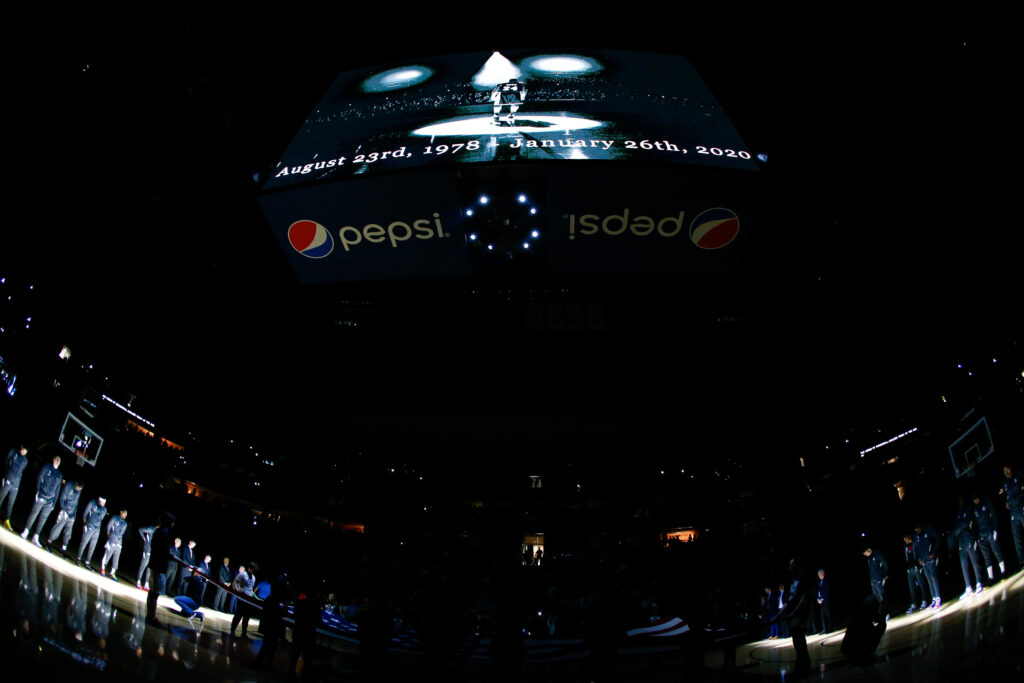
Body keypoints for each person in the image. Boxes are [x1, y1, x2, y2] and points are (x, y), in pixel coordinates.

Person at [776, 558, 811, 676]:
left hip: (799, 615)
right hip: (794, 615)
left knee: (800, 641)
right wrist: (779, 615)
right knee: (797, 641)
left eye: (791, 566)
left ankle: (804, 667)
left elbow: (803, 598)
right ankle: (802, 665)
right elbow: (790, 600)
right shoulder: (794, 580)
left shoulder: (803, 578)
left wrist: (793, 612)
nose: (789, 568)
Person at [21, 454, 63, 546]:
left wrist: (53, 503)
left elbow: (58, 490)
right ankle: (26, 531)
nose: (57, 461)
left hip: (50, 501)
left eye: (59, 460)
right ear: (53, 459)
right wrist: (38, 491)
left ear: (60, 463)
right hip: (41, 496)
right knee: (34, 514)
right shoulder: (47, 467)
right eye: (56, 459)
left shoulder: (59, 475)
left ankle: (36, 537)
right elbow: (39, 478)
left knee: (42, 519)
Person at [146, 512, 175, 624]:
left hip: (156, 565)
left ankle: (150, 616)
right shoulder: (163, 532)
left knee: (153, 592)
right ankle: (151, 617)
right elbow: (162, 550)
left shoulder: (160, 531)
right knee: (154, 593)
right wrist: (169, 555)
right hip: (158, 566)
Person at [971, 493, 1006, 581]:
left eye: (976, 499)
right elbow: (975, 524)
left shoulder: (986, 503)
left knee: (997, 552)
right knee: (986, 557)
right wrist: (977, 538)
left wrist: (995, 530)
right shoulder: (974, 509)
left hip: (990, 531)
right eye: (974, 500)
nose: (975, 501)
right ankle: (991, 577)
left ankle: (1003, 571)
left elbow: (994, 516)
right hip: (981, 535)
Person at [953, 498, 984, 597]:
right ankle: (968, 588)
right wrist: (963, 525)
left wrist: (962, 525)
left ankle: (979, 583)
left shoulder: (968, 510)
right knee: (964, 566)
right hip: (961, 544)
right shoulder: (957, 515)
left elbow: (969, 523)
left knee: (975, 563)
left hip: (970, 540)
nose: (960, 502)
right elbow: (956, 531)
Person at [47, 480, 83, 554]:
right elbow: (62, 497)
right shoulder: (69, 486)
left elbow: (76, 503)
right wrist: (63, 510)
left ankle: (64, 548)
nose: (78, 490)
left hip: (72, 515)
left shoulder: (79, 491)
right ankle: (49, 542)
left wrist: (74, 515)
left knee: (68, 533)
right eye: (78, 488)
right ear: (76, 484)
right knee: (57, 528)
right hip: (65, 512)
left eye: (80, 489)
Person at [999, 464, 1024, 569]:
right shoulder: (1004, 482)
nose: (1006, 472)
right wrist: (1006, 500)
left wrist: (1014, 498)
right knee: (1016, 537)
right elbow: (1004, 495)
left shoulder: (1018, 476)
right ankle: (1021, 560)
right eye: (1004, 471)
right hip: (1013, 512)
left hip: (1021, 508)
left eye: (1006, 469)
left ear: (1010, 468)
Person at [913, 523, 943, 608]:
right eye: (915, 530)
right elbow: (916, 549)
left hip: (932, 558)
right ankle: (934, 598)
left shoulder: (928, 529)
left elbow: (938, 538)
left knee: (934, 577)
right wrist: (919, 559)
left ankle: (938, 598)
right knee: (929, 580)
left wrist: (934, 551)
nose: (917, 530)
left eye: (918, 528)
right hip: (924, 561)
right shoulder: (916, 536)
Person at [76, 496, 108, 568]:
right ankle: (78, 558)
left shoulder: (104, 509)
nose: (104, 504)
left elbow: (101, 519)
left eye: (105, 503)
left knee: (92, 546)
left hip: (97, 529)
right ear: (99, 500)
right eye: (103, 502)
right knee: (84, 543)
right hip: (89, 526)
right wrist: (85, 524)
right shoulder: (93, 503)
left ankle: (87, 562)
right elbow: (85, 513)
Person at [1, 444, 28, 530]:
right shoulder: (13, 452)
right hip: (8, 479)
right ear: (21, 447)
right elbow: (6, 462)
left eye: (26, 451)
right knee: (1, 497)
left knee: (11, 503)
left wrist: (17, 484)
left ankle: (7, 520)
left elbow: (21, 471)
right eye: (23, 449)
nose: (24, 452)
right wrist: (5, 477)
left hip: (16, 484)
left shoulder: (25, 460)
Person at [230, 561, 258, 639]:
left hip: (249, 600)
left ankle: (244, 633)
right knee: (238, 615)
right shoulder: (243, 574)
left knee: (247, 617)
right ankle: (232, 631)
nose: (253, 571)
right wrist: (237, 591)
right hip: (242, 598)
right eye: (253, 569)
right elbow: (234, 582)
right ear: (249, 568)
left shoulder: (254, 577)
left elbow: (251, 588)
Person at [100, 507, 129, 580]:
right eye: (124, 513)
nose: (124, 515)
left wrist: (119, 544)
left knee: (116, 559)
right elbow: (108, 527)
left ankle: (112, 573)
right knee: (107, 555)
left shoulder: (125, 523)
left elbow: (122, 534)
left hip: (119, 543)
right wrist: (110, 537)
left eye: (126, 514)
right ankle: (103, 569)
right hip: (112, 540)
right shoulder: (115, 517)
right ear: (121, 512)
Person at [903, 534, 930, 613]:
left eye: (906, 539)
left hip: (917, 567)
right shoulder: (905, 547)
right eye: (904, 540)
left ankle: (925, 600)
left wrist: (919, 564)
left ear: (909, 538)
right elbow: (907, 557)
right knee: (912, 587)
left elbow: (919, 554)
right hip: (910, 569)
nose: (905, 541)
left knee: (922, 584)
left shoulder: (915, 544)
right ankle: (913, 603)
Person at [863, 546, 889, 619]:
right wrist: (871, 580)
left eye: (865, 553)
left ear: (869, 550)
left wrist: (886, 574)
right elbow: (871, 569)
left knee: (882, 597)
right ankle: (879, 615)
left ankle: (886, 614)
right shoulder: (869, 558)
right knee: (876, 598)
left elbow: (884, 563)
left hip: (880, 578)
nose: (865, 555)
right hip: (873, 580)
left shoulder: (877, 554)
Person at [136, 523, 156, 589]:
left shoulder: (158, 532)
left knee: (149, 569)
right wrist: (144, 538)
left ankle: (146, 583)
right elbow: (140, 530)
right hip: (147, 550)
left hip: (152, 553)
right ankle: (138, 581)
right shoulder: (151, 529)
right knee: (143, 566)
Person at [814, 568, 833, 634]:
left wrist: (822, 599)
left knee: (828, 615)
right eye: (818, 574)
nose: (818, 575)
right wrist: (818, 599)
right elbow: (818, 592)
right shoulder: (820, 582)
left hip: (826, 601)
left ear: (822, 574)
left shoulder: (826, 581)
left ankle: (830, 628)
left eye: (819, 574)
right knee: (822, 616)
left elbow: (827, 591)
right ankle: (824, 629)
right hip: (821, 602)